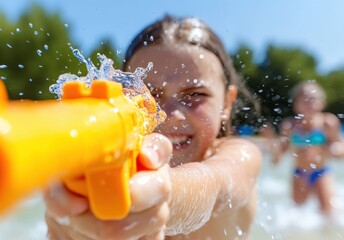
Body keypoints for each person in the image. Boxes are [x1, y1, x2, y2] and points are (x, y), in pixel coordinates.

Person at [44, 15, 262, 239]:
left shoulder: (241, 157)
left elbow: (218, 185)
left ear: (227, 102)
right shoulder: (110, 164)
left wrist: (165, 194)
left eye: (195, 95)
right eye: (148, 94)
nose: (169, 115)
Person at [261, 80, 344, 216]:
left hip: (321, 172)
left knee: (328, 213)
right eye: (304, 98)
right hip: (299, 173)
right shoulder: (290, 125)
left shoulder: (327, 122)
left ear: (322, 102)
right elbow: (280, 153)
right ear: (296, 103)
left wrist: (334, 149)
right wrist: (271, 143)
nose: (308, 102)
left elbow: (340, 148)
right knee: (297, 214)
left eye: (313, 98)